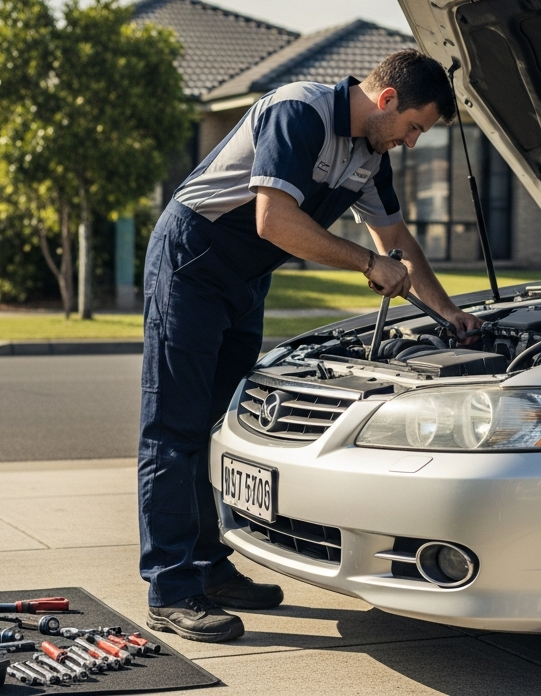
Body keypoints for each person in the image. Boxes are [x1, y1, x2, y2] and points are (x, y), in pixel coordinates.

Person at [139, 49, 480, 642]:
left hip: (245, 278)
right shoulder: (299, 112)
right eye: (414, 127)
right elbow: (276, 221)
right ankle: (171, 587)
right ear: (388, 100)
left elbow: (395, 239)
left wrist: (451, 312)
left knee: (216, 426)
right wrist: (367, 262)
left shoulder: (369, 155)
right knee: (175, 429)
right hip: (191, 261)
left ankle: (210, 569)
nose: (413, 142)